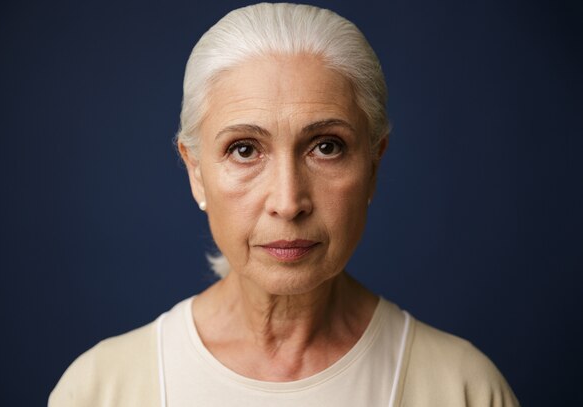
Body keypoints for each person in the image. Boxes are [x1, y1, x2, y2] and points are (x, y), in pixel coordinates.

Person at [49, 3, 519, 406]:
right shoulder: (100, 390)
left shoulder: (464, 389)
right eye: (245, 149)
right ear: (196, 172)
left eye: (327, 146)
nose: (289, 202)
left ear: (373, 165)